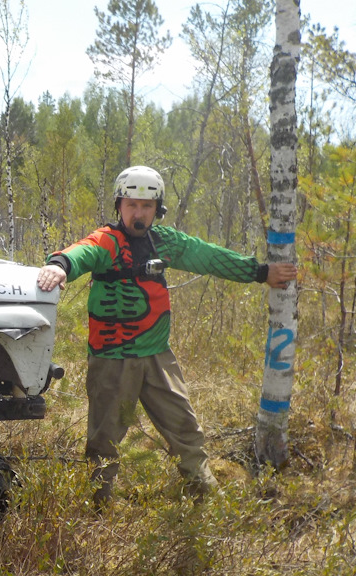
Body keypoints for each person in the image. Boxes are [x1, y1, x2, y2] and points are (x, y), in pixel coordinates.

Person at [37, 165, 297, 505]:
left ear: (157, 209)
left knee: (187, 431)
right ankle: (96, 510)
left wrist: (262, 272)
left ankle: (207, 499)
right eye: (131, 205)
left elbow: (209, 257)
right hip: (113, 358)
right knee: (104, 443)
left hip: (158, 355)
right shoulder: (107, 241)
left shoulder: (166, 242)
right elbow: (82, 251)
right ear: (119, 206)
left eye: (146, 206)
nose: (138, 213)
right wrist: (59, 265)